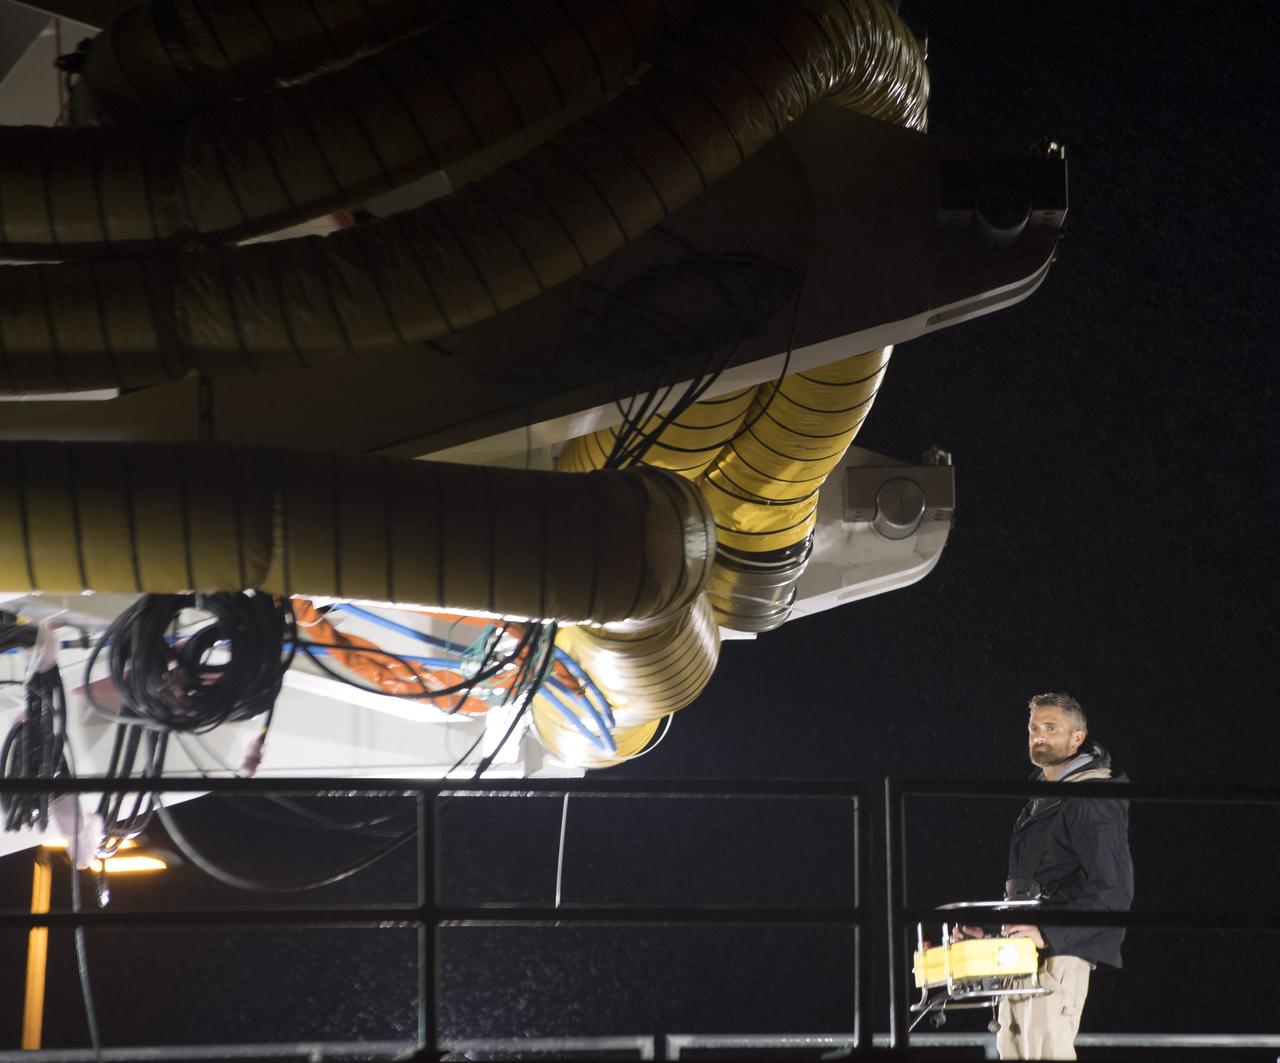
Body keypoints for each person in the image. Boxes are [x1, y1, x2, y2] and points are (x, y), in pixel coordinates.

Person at [955, 693, 1133, 1060]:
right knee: (1014, 1050)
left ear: (1077, 738)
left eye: (1051, 728)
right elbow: (1039, 886)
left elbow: (1114, 890)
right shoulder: (1044, 796)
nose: (1038, 735)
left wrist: (1049, 932)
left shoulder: (1091, 796)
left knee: (1044, 1053)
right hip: (1025, 955)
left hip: (1058, 956)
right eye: (1034, 727)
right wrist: (991, 935)